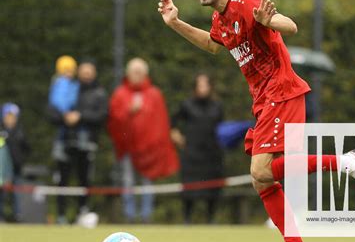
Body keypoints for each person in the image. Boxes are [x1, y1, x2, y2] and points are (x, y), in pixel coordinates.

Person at [157, 0, 355, 242]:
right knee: (263, 179)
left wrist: (269, 21)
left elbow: (291, 26)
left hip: (281, 91)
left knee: (261, 171)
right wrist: (175, 22)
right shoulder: (219, 20)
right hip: (266, 101)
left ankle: (344, 161)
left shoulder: (244, 2)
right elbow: (213, 44)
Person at [108, 58, 179, 224]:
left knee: (148, 182)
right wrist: (129, 111)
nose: (137, 75)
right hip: (128, 149)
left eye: (140, 72)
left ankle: (146, 216)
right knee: (128, 181)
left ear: (145, 74)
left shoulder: (154, 94)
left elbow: (161, 123)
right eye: (134, 72)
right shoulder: (120, 94)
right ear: (128, 73)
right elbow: (114, 120)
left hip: (149, 150)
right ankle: (130, 216)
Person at [47, 60, 108, 224]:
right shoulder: (68, 88)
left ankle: (82, 213)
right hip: (64, 141)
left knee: (84, 180)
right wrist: (65, 117)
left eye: (90, 71)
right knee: (62, 180)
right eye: (83, 71)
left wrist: (80, 116)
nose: (87, 74)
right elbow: (52, 112)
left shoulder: (99, 92)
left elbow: (102, 115)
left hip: (86, 143)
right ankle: (61, 215)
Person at [171, 73, 224, 224]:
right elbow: (173, 123)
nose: (202, 88)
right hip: (192, 154)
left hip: (212, 154)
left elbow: (222, 127)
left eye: (205, 84)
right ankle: (187, 219)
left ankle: (211, 219)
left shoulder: (217, 106)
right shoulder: (187, 104)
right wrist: (177, 137)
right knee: (189, 189)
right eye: (199, 85)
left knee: (213, 190)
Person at [0, 103, 30, 222]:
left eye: (13, 117)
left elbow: (27, 149)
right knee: (2, 193)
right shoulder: (1, 132)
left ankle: (17, 216)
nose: (10, 119)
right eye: (8, 116)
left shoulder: (20, 132)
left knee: (16, 193)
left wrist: (21, 160)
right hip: (2, 169)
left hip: (16, 167)